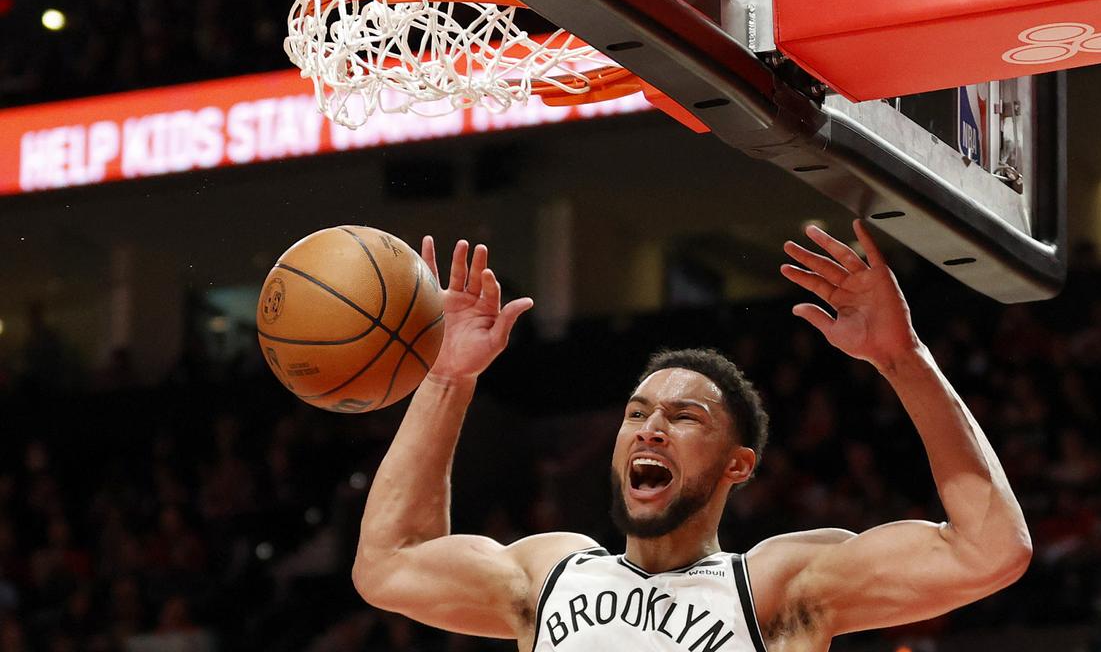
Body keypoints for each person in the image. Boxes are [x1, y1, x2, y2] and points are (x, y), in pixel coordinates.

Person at [351, 220, 1032, 651]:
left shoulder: (777, 589)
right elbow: (389, 563)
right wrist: (445, 381)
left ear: (739, 465)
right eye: (638, 413)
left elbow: (992, 550)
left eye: (683, 418)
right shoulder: (552, 573)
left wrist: (901, 360)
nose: (650, 429)